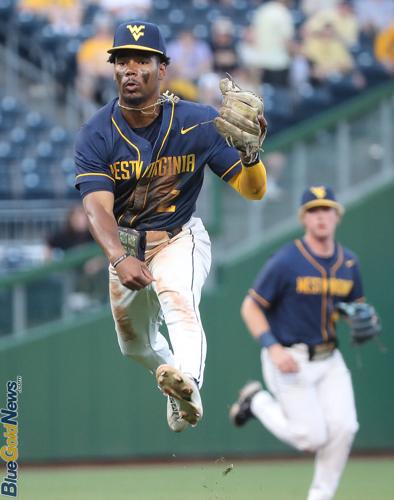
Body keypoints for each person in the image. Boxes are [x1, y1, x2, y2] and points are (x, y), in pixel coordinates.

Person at [74, 21, 267, 433]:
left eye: (141, 60)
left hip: (179, 237)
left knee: (178, 299)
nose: (129, 68)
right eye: (121, 60)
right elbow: (96, 210)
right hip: (125, 245)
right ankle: (175, 386)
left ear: (162, 70)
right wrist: (119, 256)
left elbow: (253, 191)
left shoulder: (197, 121)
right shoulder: (96, 133)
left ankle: (189, 388)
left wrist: (251, 159)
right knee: (134, 346)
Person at [230, 186, 366, 500]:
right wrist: (272, 347)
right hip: (289, 357)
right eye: (314, 211)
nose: (321, 217)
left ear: (337, 216)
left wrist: (359, 318)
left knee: (345, 428)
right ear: (304, 219)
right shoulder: (286, 261)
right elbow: (251, 306)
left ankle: (320, 496)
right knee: (311, 438)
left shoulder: (349, 263)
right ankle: (257, 402)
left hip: (329, 358)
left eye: (327, 209)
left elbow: (352, 307)